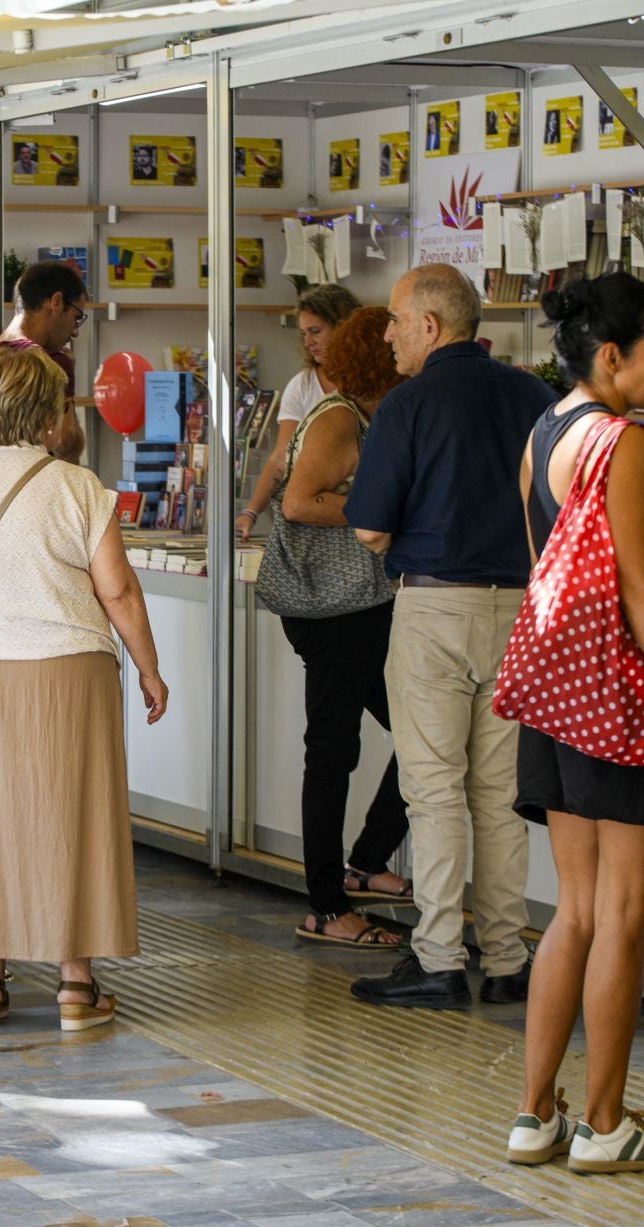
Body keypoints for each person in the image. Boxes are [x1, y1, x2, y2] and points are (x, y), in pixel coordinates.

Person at [506, 276, 644, 1174]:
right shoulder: (623, 440)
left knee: (577, 914)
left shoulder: (544, 431)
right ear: (611, 357)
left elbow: (543, 571)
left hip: (555, 701)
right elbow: (639, 588)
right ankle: (605, 1125)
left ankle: (536, 1116)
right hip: (623, 706)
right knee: (627, 922)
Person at [0, 346, 168, 1030]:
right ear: (52, 412)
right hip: (68, 668)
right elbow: (116, 589)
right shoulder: (79, 488)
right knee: (73, 816)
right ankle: (74, 986)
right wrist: (149, 667)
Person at [344, 264, 556, 1009]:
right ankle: (504, 959)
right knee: (500, 796)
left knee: (433, 793)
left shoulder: (408, 405)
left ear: (431, 326)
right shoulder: (535, 396)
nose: (390, 332)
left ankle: (437, 957)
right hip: (520, 611)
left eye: (397, 320)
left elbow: (369, 524)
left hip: (436, 609)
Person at [259, 307, 412, 949]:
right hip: (336, 609)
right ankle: (326, 904)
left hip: (352, 607)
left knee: (420, 732)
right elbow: (297, 501)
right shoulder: (342, 417)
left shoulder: (357, 413)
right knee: (333, 751)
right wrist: (380, 508)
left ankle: (366, 863)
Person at [235, 284, 360, 541]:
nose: (308, 341)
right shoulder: (302, 385)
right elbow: (281, 457)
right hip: (314, 519)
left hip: (362, 515)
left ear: (344, 327)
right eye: (303, 333)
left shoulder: (368, 383)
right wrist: (251, 512)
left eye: (315, 331)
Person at [0, 263, 87, 464]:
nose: (75, 331)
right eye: (76, 318)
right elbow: (65, 445)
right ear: (57, 302)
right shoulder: (53, 363)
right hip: (35, 488)